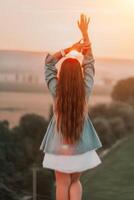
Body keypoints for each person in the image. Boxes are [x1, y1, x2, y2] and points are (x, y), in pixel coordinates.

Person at [39, 14, 102, 200]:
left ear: (62, 74)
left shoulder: (56, 90)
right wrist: (85, 34)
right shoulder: (85, 89)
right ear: (79, 75)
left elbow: (49, 62)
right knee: (75, 182)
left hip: (59, 147)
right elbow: (89, 63)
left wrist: (69, 50)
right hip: (80, 147)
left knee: (62, 183)